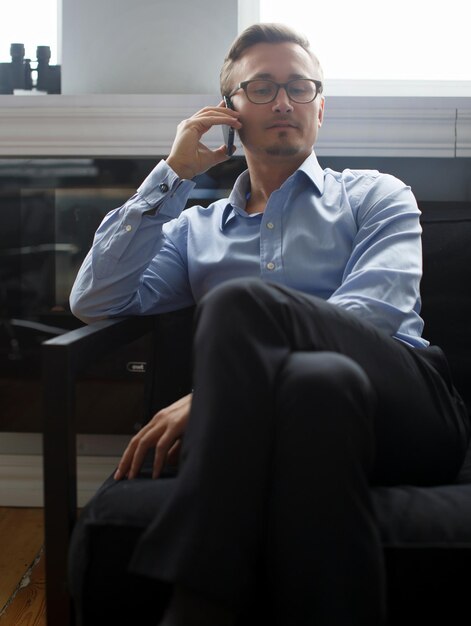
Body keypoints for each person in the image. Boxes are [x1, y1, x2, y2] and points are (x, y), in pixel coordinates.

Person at [69, 23, 469, 626]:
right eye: (261, 88)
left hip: (407, 407)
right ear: (226, 114)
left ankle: (196, 599)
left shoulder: (376, 195)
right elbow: (94, 300)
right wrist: (172, 174)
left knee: (240, 305)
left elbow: (376, 313)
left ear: (319, 107)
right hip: (311, 415)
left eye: (300, 87)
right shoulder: (194, 230)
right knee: (318, 385)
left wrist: (217, 395)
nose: (284, 102)